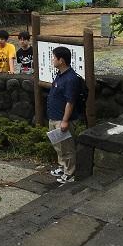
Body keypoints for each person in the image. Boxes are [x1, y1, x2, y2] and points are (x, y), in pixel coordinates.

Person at [47, 46, 82, 184]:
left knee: (67, 148)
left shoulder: (71, 78)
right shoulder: (60, 74)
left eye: (54, 57)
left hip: (63, 118)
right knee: (58, 145)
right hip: (54, 116)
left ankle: (70, 173)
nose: (52, 60)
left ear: (61, 60)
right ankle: (62, 167)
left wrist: (65, 120)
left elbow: (70, 102)